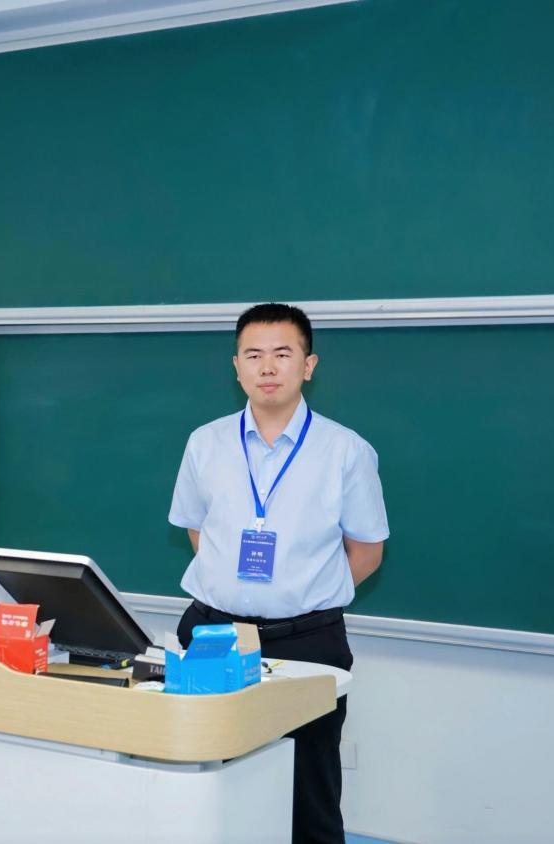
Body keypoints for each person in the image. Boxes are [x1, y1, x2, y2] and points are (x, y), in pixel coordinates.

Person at [169, 302, 388, 844]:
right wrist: (237, 590)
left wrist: (300, 596)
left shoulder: (345, 451)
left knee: (309, 795)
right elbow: (198, 531)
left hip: (307, 643)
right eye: (253, 355)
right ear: (236, 367)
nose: (267, 367)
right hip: (213, 635)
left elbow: (366, 552)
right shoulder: (205, 442)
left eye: (283, 354)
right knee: (208, 785)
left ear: (308, 366)